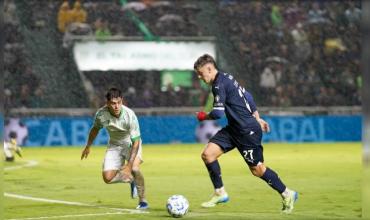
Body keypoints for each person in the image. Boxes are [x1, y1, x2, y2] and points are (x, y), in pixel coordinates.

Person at [194, 54, 298, 213]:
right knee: (208, 154)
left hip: (246, 132)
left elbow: (218, 113)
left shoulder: (218, 84)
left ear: (209, 68)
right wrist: (258, 118)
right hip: (235, 128)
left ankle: (287, 193)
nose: (200, 77)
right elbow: (247, 96)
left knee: (257, 170)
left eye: (201, 73)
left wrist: (204, 116)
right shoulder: (227, 77)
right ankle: (220, 192)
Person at [81, 88, 148, 209]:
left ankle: (143, 201)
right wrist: (88, 146)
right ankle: (130, 180)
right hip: (114, 145)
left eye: (119, 102)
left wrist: (129, 166)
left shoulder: (129, 115)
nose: (116, 106)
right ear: (107, 103)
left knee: (135, 169)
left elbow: (136, 142)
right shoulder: (101, 114)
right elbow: (95, 129)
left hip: (130, 144)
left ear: (122, 101)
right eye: (113, 103)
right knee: (107, 178)